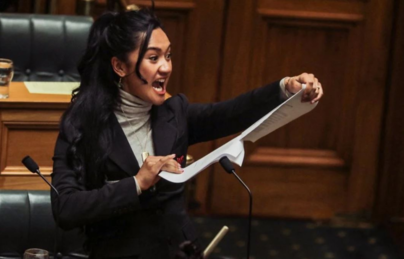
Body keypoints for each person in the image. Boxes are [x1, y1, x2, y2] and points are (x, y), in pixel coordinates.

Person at [51, 8, 323, 259]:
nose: (166, 67)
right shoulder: (82, 125)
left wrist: (285, 88)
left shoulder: (174, 113)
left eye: (168, 56)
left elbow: (231, 113)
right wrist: (136, 183)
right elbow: (66, 208)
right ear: (120, 67)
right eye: (153, 57)